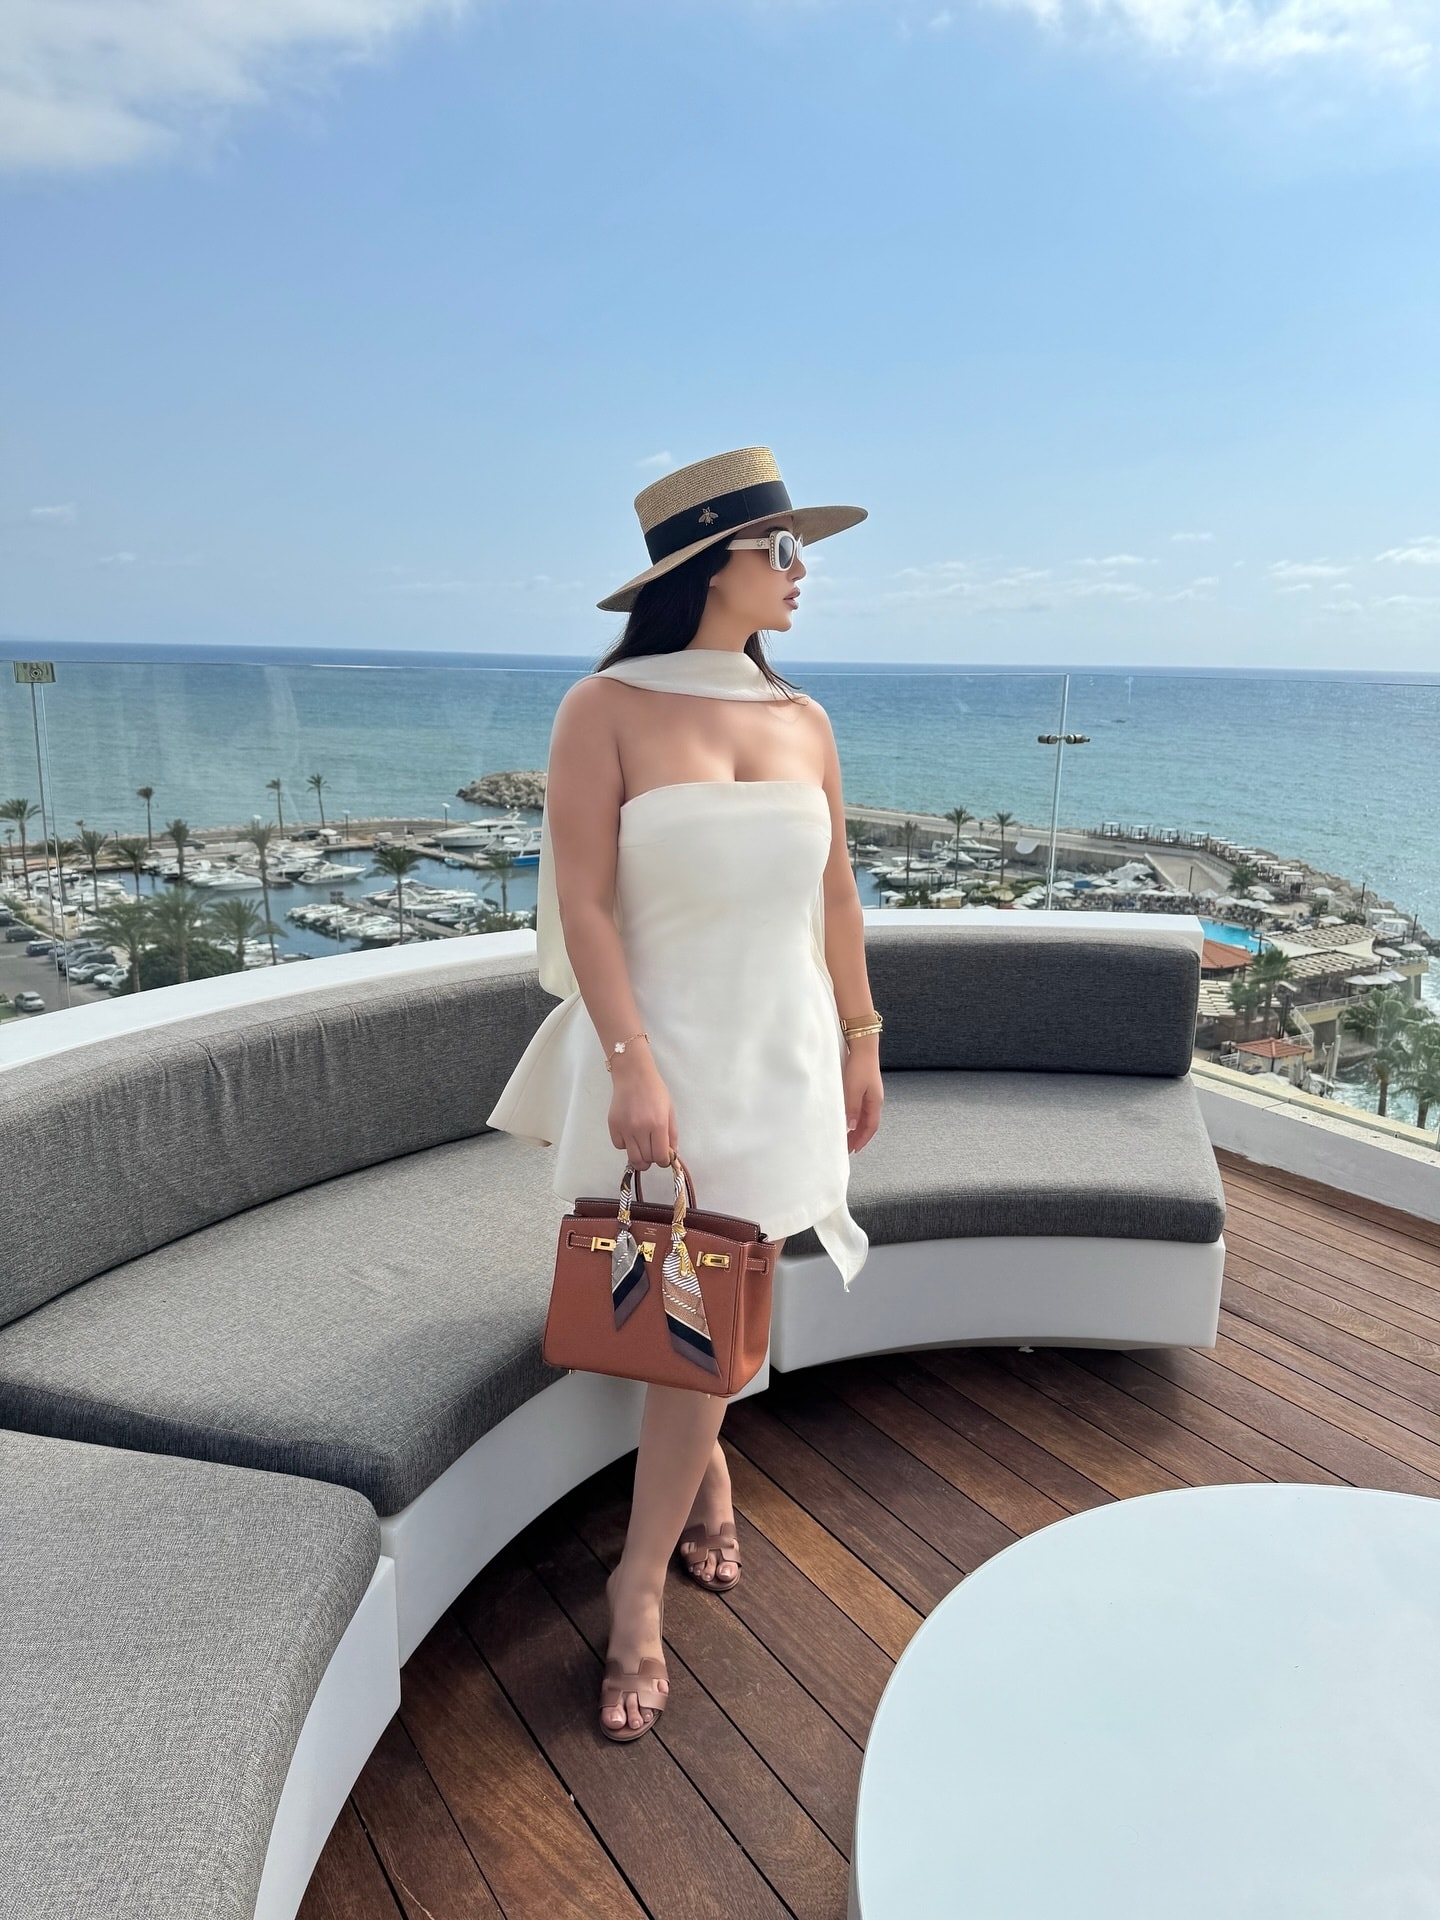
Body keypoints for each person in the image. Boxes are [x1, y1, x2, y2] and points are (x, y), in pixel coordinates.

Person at [486, 446, 884, 1741]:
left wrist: (864, 1039)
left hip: (782, 1058)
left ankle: (677, 1525)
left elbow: (836, 897)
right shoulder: (601, 709)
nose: (804, 572)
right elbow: (587, 907)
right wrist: (633, 1066)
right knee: (692, 1316)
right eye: (786, 549)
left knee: (709, 1312)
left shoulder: (806, 720)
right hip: (662, 1058)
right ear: (714, 564)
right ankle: (641, 1588)